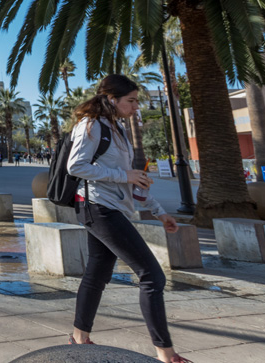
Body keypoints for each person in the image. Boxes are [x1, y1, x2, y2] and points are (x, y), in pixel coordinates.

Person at [67, 74, 189, 363]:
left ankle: (78, 337)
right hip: (98, 207)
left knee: (97, 273)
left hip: (111, 207)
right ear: (112, 99)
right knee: (152, 276)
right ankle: (165, 353)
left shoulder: (117, 129)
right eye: (131, 101)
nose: (136, 107)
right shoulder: (92, 125)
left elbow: (133, 182)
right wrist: (124, 175)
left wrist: (159, 212)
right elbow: (76, 165)